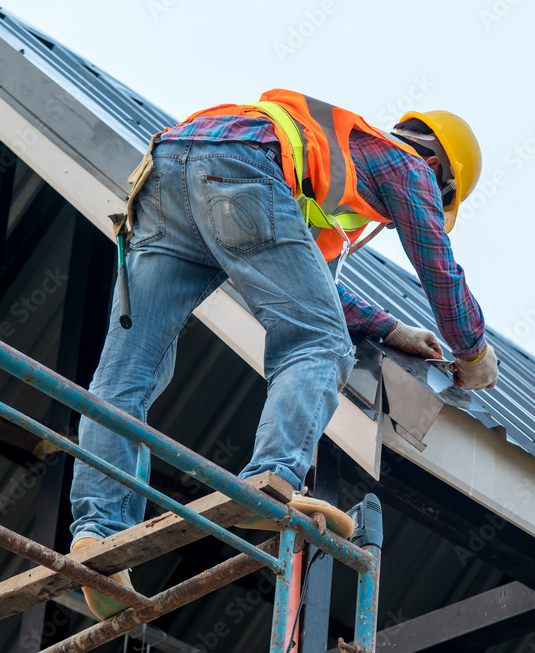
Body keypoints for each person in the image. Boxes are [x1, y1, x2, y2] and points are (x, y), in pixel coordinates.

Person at [68, 89, 498, 618]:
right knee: (318, 343)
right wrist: (472, 350)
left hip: (166, 174)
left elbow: (306, 284)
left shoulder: (326, 168)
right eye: (439, 196)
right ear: (435, 166)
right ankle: (271, 482)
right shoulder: (405, 164)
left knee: (127, 371)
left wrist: (388, 329)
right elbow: (438, 268)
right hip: (239, 169)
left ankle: (96, 537)